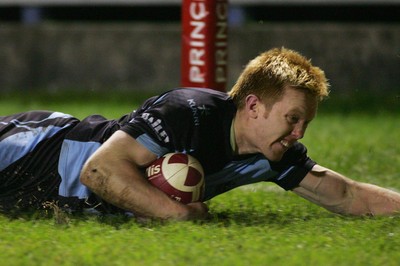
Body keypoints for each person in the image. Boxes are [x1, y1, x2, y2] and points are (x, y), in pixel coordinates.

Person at [1, 47, 400, 220]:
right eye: (293, 119)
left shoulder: (271, 154)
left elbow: (347, 195)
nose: (298, 133)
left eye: (305, 124)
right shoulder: (189, 111)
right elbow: (97, 172)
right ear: (254, 106)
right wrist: (178, 215)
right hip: (37, 148)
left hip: (44, 198)